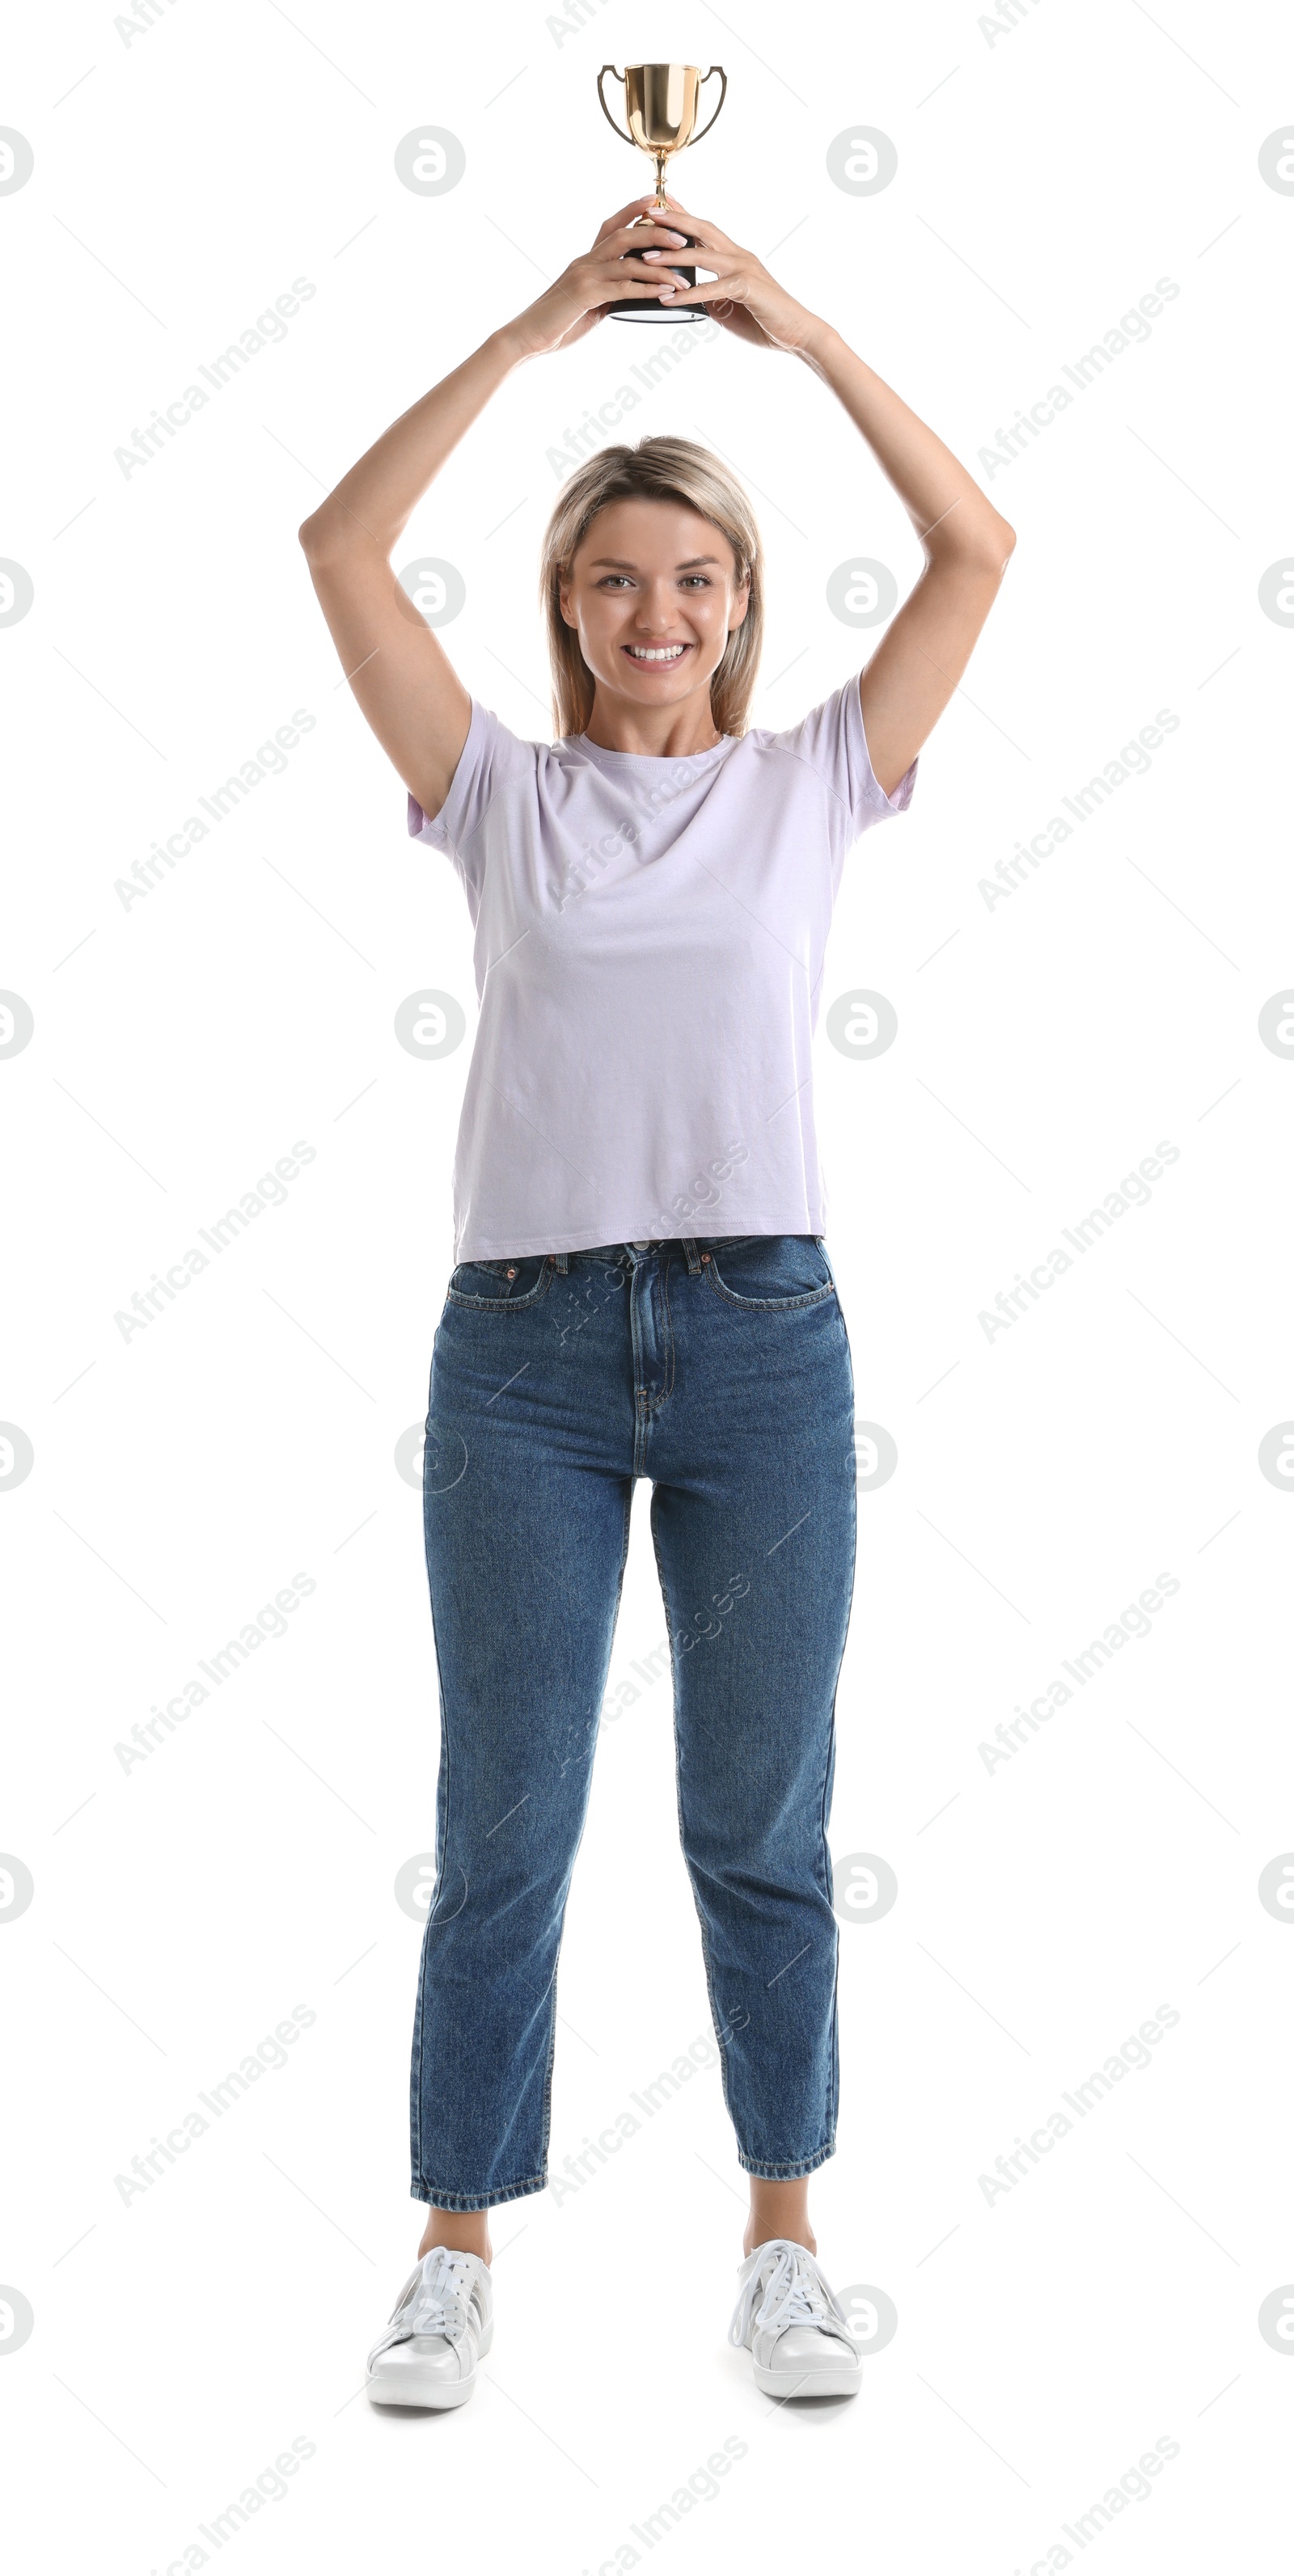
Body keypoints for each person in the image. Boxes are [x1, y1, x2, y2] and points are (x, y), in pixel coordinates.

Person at [299, 191, 1015, 2409]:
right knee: (506, 1813)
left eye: (695, 579)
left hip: (763, 1345)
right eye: (613, 576)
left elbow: (983, 549)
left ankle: (784, 2241)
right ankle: (452, 2249)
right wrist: (531, 331)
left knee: (758, 1816)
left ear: (741, 608)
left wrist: (788, 326)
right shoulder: (487, 794)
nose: (655, 612)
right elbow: (335, 547)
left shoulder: (818, 785)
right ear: (565, 604)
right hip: (518, 1350)